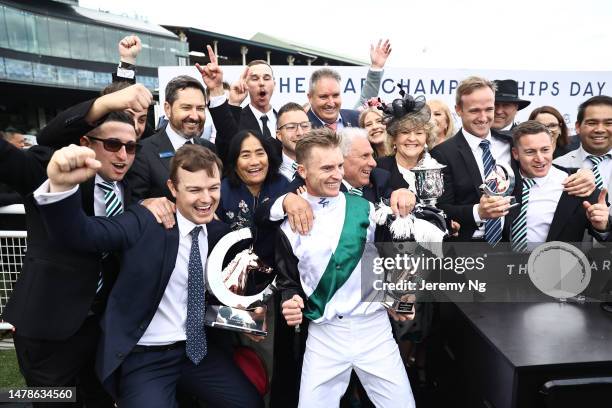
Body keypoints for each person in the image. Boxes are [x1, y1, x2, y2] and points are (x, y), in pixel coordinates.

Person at [34, 144, 263, 408]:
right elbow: (82, 234)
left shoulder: (218, 233)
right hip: (146, 357)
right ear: (173, 188)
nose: (206, 199)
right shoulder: (145, 221)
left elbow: (227, 288)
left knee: (249, 404)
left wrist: (247, 316)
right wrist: (60, 188)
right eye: (194, 190)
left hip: (197, 352)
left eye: (212, 188)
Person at [2, 111, 140, 408]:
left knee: (98, 400)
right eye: (113, 144)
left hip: (99, 331)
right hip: (47, 328)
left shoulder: (130, 187)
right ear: (85, 143)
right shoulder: (51, 170)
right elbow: (14, 155)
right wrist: (106, 101)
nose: (123, 155)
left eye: (131, 147)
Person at [276, 130, 416, 408]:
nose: (336, 175)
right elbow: (288, 280)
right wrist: (289, 300)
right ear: (302, 170)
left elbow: (396, 260)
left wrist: (402, 295)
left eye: (339, 165)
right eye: (326, 168)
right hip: (324, 334)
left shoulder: (367, 210)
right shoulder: (286, 225)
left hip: (374, 330)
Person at [431, 76, 595, 243]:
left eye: (489, 109)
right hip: (467, 251)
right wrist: (477, 212)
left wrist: (584, 173)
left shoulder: (511, 142)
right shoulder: (441, 154)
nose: (483, 117)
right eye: (474, 110)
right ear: (458, 110)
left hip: (511, 246)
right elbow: (440, 209)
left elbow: (543, 166)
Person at [508, 121, 610, 251]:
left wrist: (603, 227)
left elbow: (605, 238)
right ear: (516, 153)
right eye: (530, 152)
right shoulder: (500, 181)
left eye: (545, 150)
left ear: (552, 148)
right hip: (504, 267)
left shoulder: (579, 185)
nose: (539, 158)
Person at [126, 75, 215, 203]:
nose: (195, 116)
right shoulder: (143, 152)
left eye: (200, 108)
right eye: (186, 107)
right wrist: (144, 205)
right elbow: (132, 203)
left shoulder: (209, 149)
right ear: (168, 108)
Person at [554, 95, 612, 215]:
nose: (600, 129)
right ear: (577, 127)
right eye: (592, 123)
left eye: (608, 123)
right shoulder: (557, 165)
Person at [275, 102, 312, 180]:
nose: (300, 133)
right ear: (279, 135)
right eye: (291, 127)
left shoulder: (325, 165)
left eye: (305, 126)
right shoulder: (269, 171)